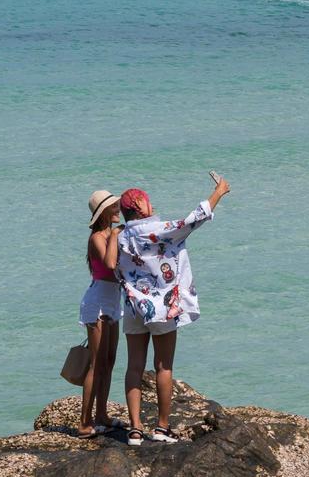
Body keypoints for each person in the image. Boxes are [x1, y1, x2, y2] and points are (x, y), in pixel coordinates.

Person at [116, 172, 231, 446]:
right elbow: (192, 220)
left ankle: (134, 429)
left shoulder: (120, 236)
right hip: (162, 308)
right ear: (140, 207)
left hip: (133, 307)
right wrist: (219, 192)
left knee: (134, 366)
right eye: (146, 201)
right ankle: (162, 427)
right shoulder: (158, 229)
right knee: (163, 366)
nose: (151, 204)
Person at [78, 190, 123, 439]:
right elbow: (109, 263)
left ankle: (102, 415)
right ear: (104, 212)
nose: (118, 210)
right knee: (96, 364)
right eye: (114, 207)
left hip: (114, 300)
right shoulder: (97, 237)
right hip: (97, 303)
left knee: (109, 361)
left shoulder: (113, 234)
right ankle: (84, 423)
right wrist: (116, 235)